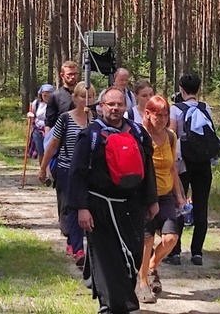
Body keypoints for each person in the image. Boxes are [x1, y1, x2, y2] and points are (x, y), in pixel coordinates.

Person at [68, 87, 158, 314]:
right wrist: (82, 208)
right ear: (101, 107)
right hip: (101, 208)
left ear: (126, 107)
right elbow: (77, 173)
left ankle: (121, 302)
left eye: (119, 104)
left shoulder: (137, 132)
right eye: (110, 104)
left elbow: (148, 167)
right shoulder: (90, 135)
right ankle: (110, 306)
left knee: (133, 256)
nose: (115, 109)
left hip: (132, 205)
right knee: (108, 260)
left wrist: (151, 200)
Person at [136, 95, 187, 304]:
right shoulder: (139, 135)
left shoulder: (171, 136)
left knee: (170, 238)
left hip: (165, 194)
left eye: (166, 115)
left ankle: (151, 267)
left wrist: (180, 197)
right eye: (158, 115)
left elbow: (172, 168)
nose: (163, 119)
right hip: (143, 194)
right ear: (148, 114)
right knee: (147, 239)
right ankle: (142, 283)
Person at [39, 82, 96, 268]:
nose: (87, 100)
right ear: (75, 98)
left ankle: (74, 243)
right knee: (72, 207)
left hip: (88, 172)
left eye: (91, 96)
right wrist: (43, 168)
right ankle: (79, 250)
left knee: (88, 208)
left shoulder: (96, 121)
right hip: (67, 170)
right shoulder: (65, 119)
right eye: (82, 96)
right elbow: (53, 145)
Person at [165, 73, 214, 266]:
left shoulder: (176, 109)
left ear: (181, 89)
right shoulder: (206, 107)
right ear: (198, 90)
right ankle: (197, 252)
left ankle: (175, 252)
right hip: (203, 162)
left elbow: (172, 134)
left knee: (179, 203)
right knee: (201, 205)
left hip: (183, 163)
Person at [45, 61, 80, 134]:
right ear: (62, 75)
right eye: (69, 74)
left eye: (75, 74)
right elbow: (49, 123)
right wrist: (47, 142)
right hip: (62, 137)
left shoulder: (84, 94)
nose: (73, 77)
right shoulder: (55, 96)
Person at [28, 84, 54, 164]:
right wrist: (29, 116)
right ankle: (42, 171)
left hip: (50, 130)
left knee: (49, 151)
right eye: (45, 95)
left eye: (49, 95)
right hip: (37, 130)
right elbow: (32, 114)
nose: (46, 97)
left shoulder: (54, 104)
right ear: (41, 94)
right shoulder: (37, 103)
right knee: (41, 152)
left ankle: (49, 171)